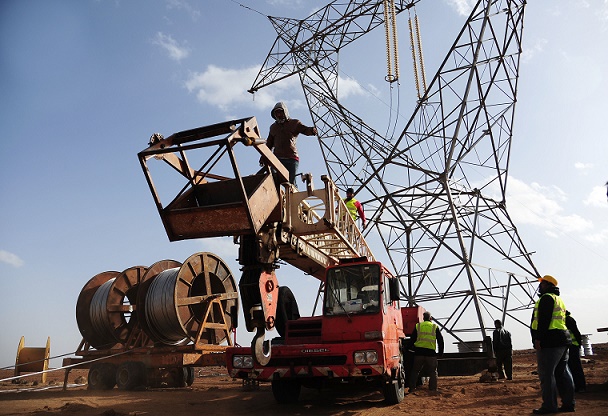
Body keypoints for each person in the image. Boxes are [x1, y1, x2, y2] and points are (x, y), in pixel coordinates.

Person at [530, 275, 575, 414]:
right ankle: (569, 404)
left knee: (547, 374)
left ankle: (549, 406)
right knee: (563, 373)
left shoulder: (546, 298)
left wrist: (538, 338)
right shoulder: (558, 299)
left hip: (550, 341)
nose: (540, 286)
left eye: (542, 283)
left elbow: (544, 320)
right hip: (562, 340)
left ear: (548, 285)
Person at [265, 101, 317, 185]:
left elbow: (304, 129)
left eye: (280, 112)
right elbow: (269, 144)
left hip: (291, 158)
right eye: (276, 113)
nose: (279, 115)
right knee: (273, 178)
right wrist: (264, 157)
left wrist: (311, 130)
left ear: (285, 112)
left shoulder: (294, 123)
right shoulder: (273, 128)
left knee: (291, 182)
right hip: (278, 158)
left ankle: (293, 192)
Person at [407, 311, 444, 394]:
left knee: (415, 371)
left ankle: (412, 388)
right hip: (431, 353)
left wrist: (408, 348)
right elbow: (440, 341)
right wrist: (440, 353)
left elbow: (412, 339)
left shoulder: (418, 326)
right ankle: (433, 389)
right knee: (433, 372)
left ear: (423, 318)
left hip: (419, 353)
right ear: (431, 318)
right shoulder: (434, 327)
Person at [565, 310, 587, 392]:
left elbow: (576, 333)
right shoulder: (568, 319)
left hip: (572, 346)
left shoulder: (568, 320)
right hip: (570, 345)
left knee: (575, 366)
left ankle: (580, 386)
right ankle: (576, 386)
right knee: (571, 366)